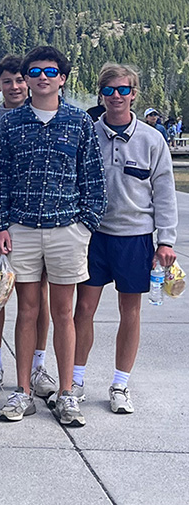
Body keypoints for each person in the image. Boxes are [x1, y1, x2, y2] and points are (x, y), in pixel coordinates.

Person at [0, 46, 106, 426]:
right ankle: (22, 392)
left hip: (66, 229)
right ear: (26, 79)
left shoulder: (79, 122)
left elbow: (93, 180)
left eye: (50, 71)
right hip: (21, 229)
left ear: (63, 78)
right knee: (27, 310)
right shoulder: (11, 124)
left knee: (64, 313)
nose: (42, 77)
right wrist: (0, 225)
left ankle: (68, 393)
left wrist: (84, 224)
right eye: (34, 71)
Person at [73, 63, 178, 414]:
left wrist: (166, 240)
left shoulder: (152, 139)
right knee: (83, 309)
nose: (116, 97)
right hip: (94, 235)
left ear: (133, 93)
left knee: (129, 311)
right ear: (100, 94)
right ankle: (75, 380)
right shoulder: (87, 133)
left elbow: (164, 192)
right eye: (109, 90)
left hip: (134, 238)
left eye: (123, 90)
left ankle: (120, 384)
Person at [0, 55, 57, 399]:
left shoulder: (44, 120)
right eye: (7, 81)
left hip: (34, 223)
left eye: (19, 80)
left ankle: (37, 366)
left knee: (37, 297)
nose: (14, 87)